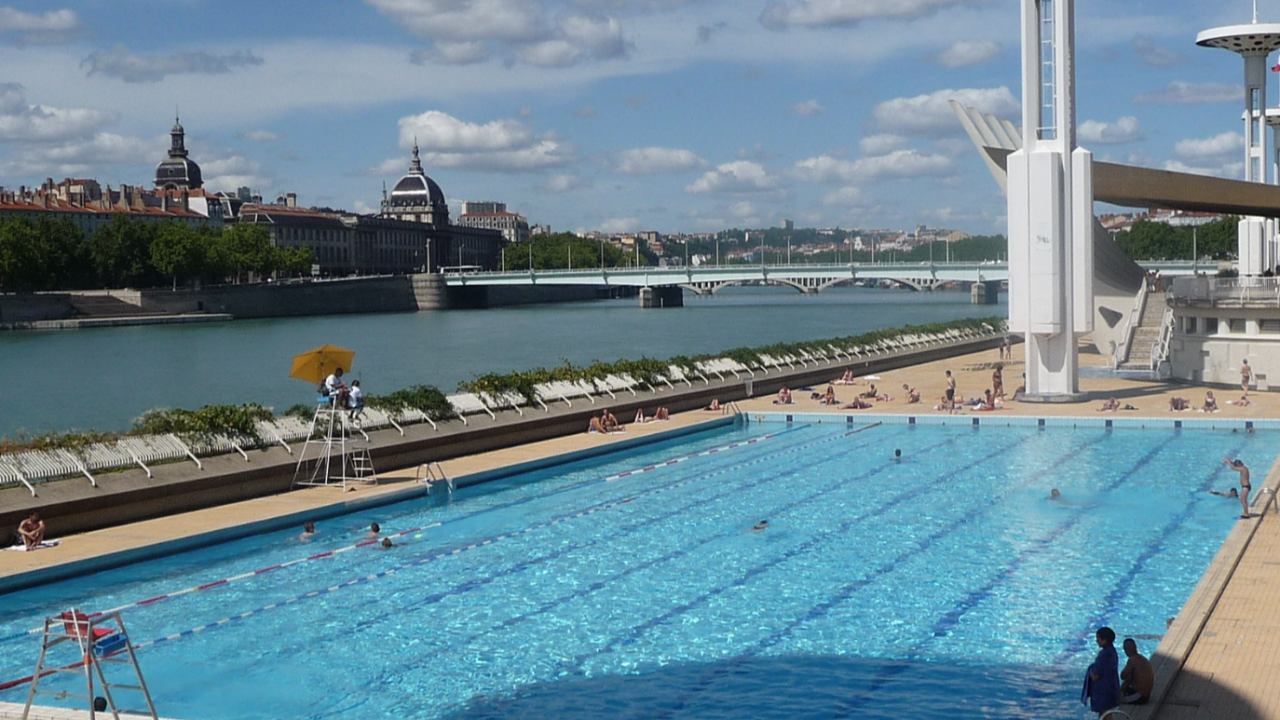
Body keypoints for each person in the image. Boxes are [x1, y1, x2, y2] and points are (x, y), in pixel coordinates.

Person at [1081, 626, 1120, 716]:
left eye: (1098, 638)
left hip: (1103, 692)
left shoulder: (1103, 655)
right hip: (1111, 688)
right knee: (1108, 713)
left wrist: (1090, 671)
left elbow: (1095, 676)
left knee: (1105, 714)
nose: (1096, 640)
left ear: (1104, 640)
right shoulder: (1113, 651)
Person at [1120, 638, 1154, 705]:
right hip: (1145, 695)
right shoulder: (1142, 658)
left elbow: (1123, 676)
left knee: (1115, 700)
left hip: (1140, 696)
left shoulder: (1132, 660)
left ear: (1126, 650)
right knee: (1129, 678)